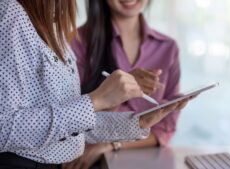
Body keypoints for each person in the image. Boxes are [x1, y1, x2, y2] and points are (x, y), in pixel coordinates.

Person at [0, 0, 188, 169]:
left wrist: (138, 122)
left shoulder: (53, 23)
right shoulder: (12, 12)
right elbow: (3, 127)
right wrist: (95, 101)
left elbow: (73, 121)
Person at [68, 0, 185, 168]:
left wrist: (110, 145)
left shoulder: (168, 48)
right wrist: (116, 94)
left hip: (149, 162)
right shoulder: (76, 43)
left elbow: (165, 128)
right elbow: (67, 118)